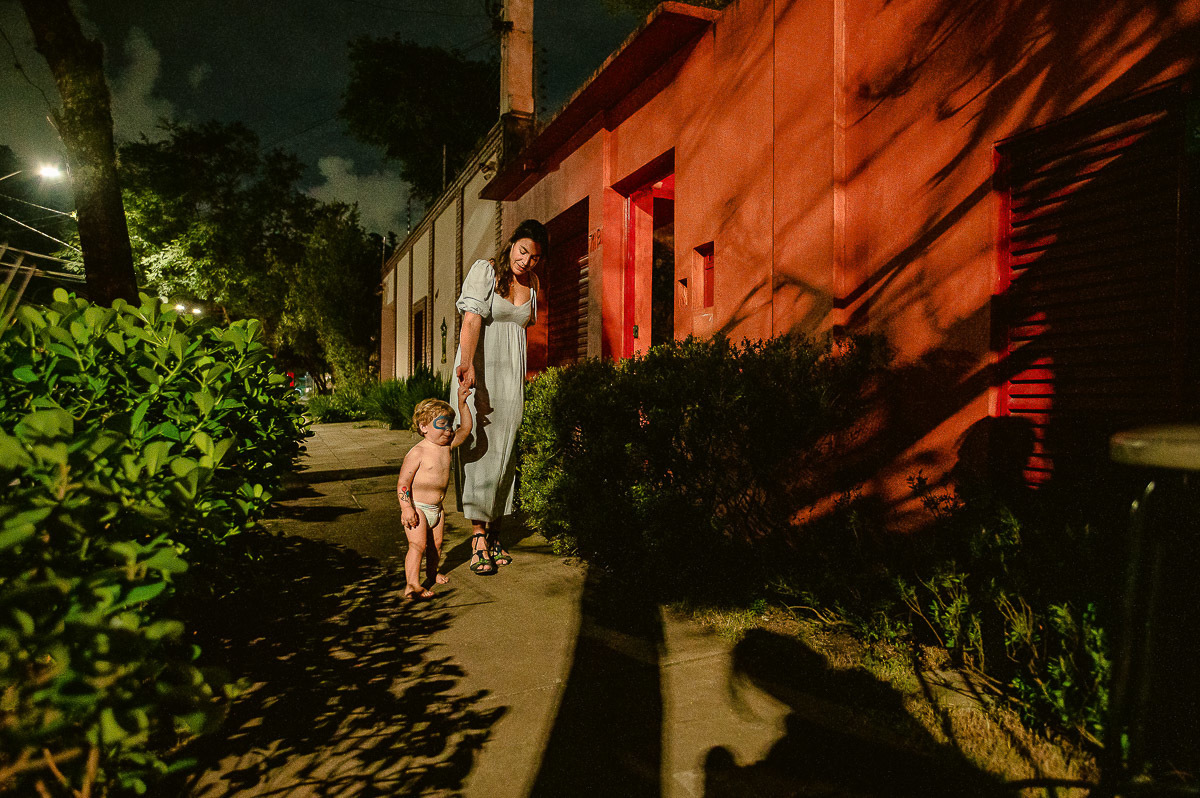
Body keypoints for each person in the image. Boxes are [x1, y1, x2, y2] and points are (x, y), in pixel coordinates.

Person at [451, 218, 549, 575]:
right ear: (511, 245)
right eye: (523, 251)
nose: (526, 261)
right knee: (480, 446)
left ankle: (493, 532)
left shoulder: (533, 284)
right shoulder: (487, 271)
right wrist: (466, 365)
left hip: (511, 377)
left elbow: (524, 331)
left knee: (505, 448)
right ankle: (478, 537)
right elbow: (472, 320)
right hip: (481, 368)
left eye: (535, 257)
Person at [396, 390, 473, 599]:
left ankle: (431, 573)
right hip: (418, 508)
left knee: (436, 545)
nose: (448, 430)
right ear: (423, 428)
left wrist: (462, 403)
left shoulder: (447, 446)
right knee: (417, 545)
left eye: (449, 425)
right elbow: (403, 483)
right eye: (441, 425)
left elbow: (465, 430)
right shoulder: (418, 452)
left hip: (437, 509)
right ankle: (412, 584)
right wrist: (406, 508)